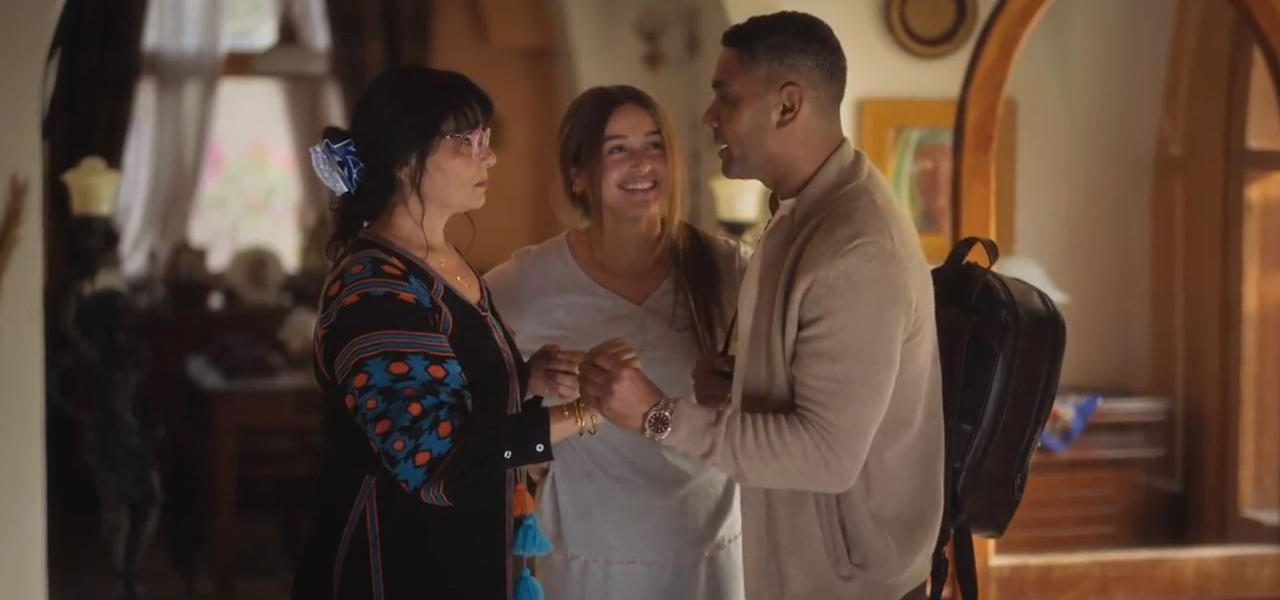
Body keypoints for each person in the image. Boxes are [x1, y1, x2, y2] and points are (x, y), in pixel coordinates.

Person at [579, 12, 945, 600]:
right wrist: (744, 386)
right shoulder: (800, 215)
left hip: (851, 588)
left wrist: (658, 415)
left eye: (726, 97)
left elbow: (827, 456)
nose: (710, 117)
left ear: (787, 105)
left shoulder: (856, 247)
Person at [293, 66, 591, 600]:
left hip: (463, 549)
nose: (488, 157)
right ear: (405, 159)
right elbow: (437, 457)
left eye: (486, 139)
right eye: (466, 142)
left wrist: (525, 380)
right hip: (397, 562)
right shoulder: (374, 286)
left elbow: (454, 396)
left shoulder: (443, 262)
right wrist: (588, 414)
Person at [486, 85, 748, 600]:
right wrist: (531, 383)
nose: (642, 164)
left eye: (654, 145)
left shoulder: (727, 269)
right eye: (618, 149)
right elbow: (460, 382)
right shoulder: (530, 279)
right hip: (588, 553)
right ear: (578, 175)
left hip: (705, 544)